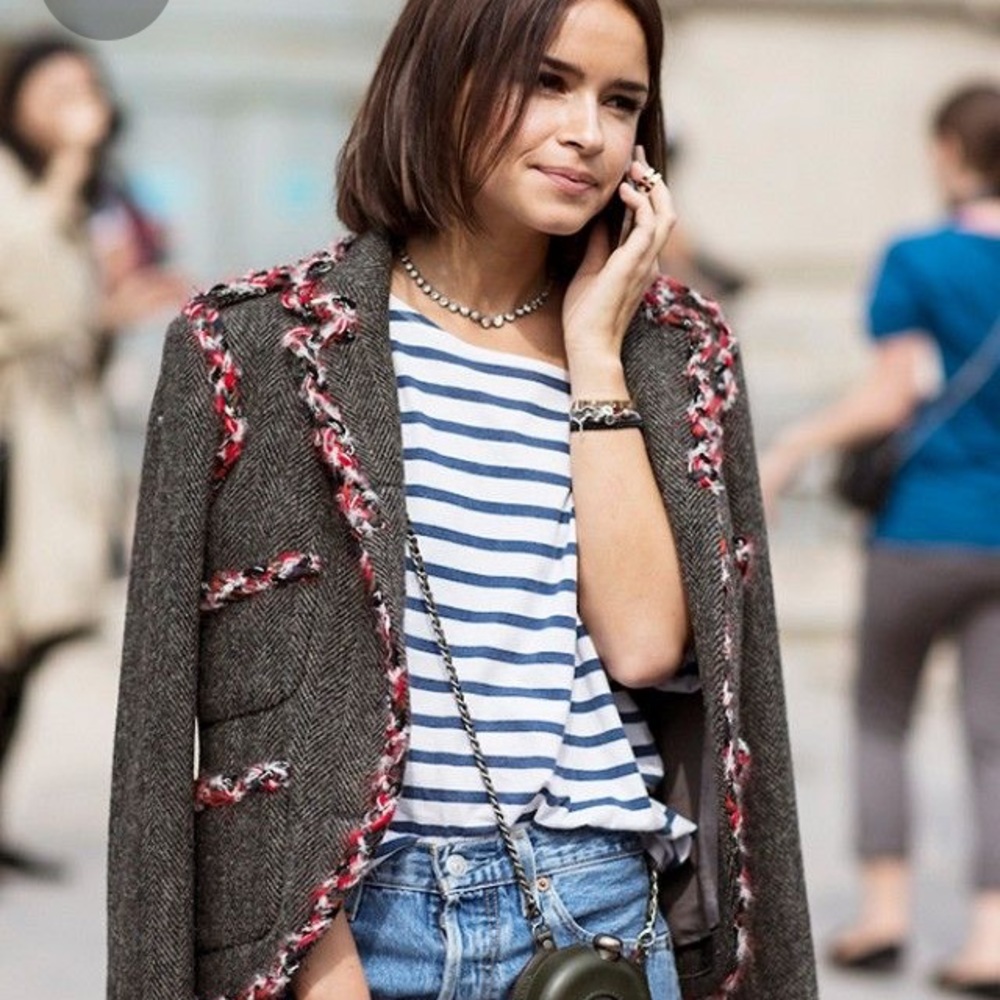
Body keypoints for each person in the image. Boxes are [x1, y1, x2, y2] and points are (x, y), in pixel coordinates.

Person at [107, 1, 816, 998]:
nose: (589, 132)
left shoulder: (673, 357)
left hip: (601, 915)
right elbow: (168, 724)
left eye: (622, 102)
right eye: (548, 81)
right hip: (364, 925)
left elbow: (650, 646)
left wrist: (596, 355)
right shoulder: (256, 348)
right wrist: (320, 955)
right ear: (444, 75)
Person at [761, 81, 1000, 996]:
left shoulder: (918, 257)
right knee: (992, 738)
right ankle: (987, 936)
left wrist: (794, 444)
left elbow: (892, 395)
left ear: (949, 151)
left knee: (880, 716)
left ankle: (888, 916)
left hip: (920, 530)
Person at [0, 34, 185, 877]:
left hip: (47, 445)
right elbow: (26, 294)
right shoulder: (25, 187)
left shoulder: (88, 197)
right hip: (13, 442)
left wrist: (114, 313)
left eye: (88, 87)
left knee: (25, 646)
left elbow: (65, 324)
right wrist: (71, 168)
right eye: (58, 87)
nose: (80, 104)